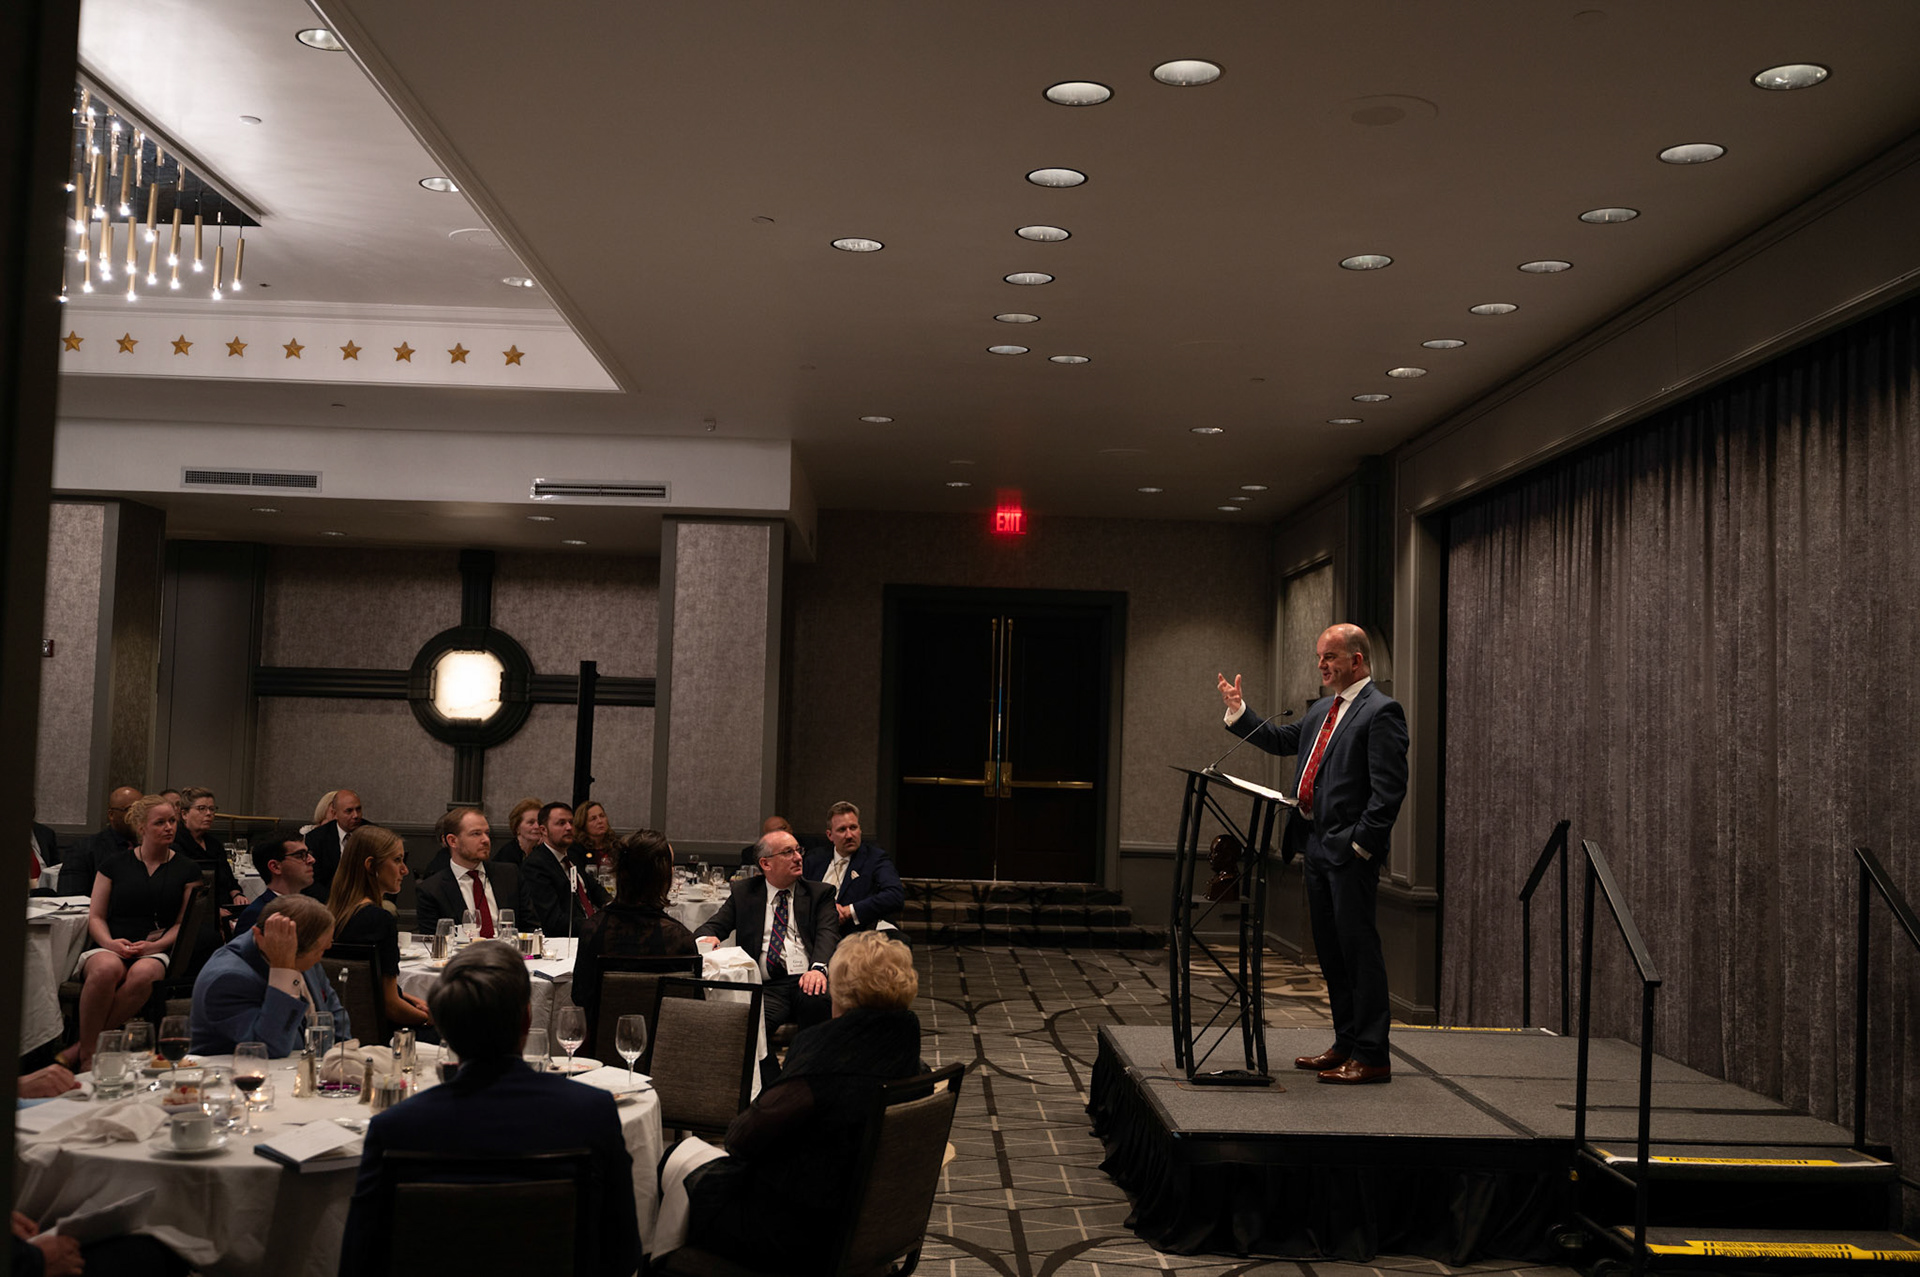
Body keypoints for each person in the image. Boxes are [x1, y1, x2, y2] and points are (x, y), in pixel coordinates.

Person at [338, 940, 641, 1277]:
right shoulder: (592, 1112)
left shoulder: (394, 1129)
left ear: (445, 1033)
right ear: (527, 1019)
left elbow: (359, 1263)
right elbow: (622, 1255)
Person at [1216, 622, 1408, 1084]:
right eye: (1320, 657)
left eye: (1330, 657)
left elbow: (1388, 792)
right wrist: (1241, 712)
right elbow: (1284, 741)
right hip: (1314, 846)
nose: (1321, 665)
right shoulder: (1324, 708)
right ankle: (1345, 1043)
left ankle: (1373, 1054)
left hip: (1348, 853)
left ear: (1356, 661)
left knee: (1358, 951)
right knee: (1330, 951)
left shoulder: (1382, 712)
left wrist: (1361, 846)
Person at [670, 931, 923, 1274]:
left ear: (842, 993)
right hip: (873, 1224)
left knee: (673, 1178)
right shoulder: (908, 1055)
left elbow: (743, 1137)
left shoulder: (825, 1060)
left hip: (800, 1235)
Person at [66, 795, 202, 1070]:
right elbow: (96, 916)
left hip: (157, 947)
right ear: (141, 827)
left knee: (143, 974)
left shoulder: (187, 868)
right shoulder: (113, 864)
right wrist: (110, 943)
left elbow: (182, 924)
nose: (169, 828)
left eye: (173, 821)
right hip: (111, 942)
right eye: (160, 822)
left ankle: (84, 1047)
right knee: (104, 970)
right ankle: (87, 1057)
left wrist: (154, 946)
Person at [694, 830, 839, 1078]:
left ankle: (808, 1082)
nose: (797, 857)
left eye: (798, 850)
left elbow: (828, 934)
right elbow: (712, 926)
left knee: (818, 1007)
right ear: (765, 863)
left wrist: (818, 968)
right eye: (788, 852)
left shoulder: (819, 893)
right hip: (767, 986)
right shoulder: (744, 893)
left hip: (807, 979)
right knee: (748, 1029)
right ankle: (772, 1085)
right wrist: (709, 938)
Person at [190, 894, 349, 1056]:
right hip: (238, 1076)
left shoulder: (301, 951)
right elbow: (271, 1048)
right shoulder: (227, 979)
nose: (321, 957)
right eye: (321, 950)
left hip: (311, 1070)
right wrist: (283, 971)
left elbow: (333, 1013)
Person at [573, 830, 698, 1035]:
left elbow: (580, 998)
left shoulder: (593, 930)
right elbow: (688, 1007)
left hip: (604, 1048)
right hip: (663, 1049)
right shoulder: (677, 937)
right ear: (662, 877)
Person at [326, 826, 432, 1031]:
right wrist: (429, 1018)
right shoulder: (379, 920)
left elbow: (369, 986)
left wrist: (410, 998)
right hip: (387, 1035)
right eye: (397, 860)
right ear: (371, 865)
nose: (405, 870)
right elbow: (391, 1007)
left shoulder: (334, 913)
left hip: (345, 1030)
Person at [416, 807, 522, 938]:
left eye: (487, 833)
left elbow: (529, 927)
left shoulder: (510, 875)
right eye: (476, 834)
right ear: (452, 841)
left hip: (508, 954)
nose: (486, 840)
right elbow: (433, 942)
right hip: (462, 956)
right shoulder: (431, 889)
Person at [803, 801, 904, 934]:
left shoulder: (875, 858)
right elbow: (800, 894)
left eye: (853, 827)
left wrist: (849, 911)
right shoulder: (814, 859)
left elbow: (895, 896)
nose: (849, 835)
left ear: (860, 829)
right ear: (830, 835)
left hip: (855, 932)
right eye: (842, 829)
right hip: (814, 929)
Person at [521, 801, 608, 937]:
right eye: (561, 823)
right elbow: (553, 921)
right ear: (543, 830)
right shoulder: (535, 865)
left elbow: (594, 889)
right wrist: (598, 925)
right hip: (567, 939)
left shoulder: (572, 855)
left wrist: (613, 906)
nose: (569, 828)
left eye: (571, 822)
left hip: (591, 931)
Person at [171, 787, 247, 929]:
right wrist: (211, 912)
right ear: (184, 814)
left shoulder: (214, 844)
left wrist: (237, 894)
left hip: (225, 905)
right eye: (201, 809)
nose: (209, 814)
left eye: (212, 809)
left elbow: (228, 879)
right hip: (194, 914)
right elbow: (179, 892)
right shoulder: (176, 845)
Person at [56, 786, 140, 896]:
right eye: (130, 810)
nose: (138, 816)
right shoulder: (83, 850)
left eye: (142, 810)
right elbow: (72, 899)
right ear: (111, 815)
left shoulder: (155, 847)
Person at [233, 829, 316, 931]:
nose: (311, 860)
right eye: (300, 855)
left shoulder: (306, 907)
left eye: (308, 853)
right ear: (275, 867)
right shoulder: (257, 915)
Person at [303, 787, 364, 901]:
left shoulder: (373, 833)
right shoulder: (317, 838)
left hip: (365, 898)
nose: (356, 815)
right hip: (328, 898)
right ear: (335, 814)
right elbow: (311, 881)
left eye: (358, 809)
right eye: (349, 811)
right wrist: (332, 903)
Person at [573, 800, 618, 872]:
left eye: (602, 816)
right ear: (583, 824)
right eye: (593, 819)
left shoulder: (615, 845)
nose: (600, 821)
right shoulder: (576, 849)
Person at [496, 797, 540, 867]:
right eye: (531, 822)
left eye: (540, 822)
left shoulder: (542, 851)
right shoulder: (507, 855)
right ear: (517, 827)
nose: (537, 826)